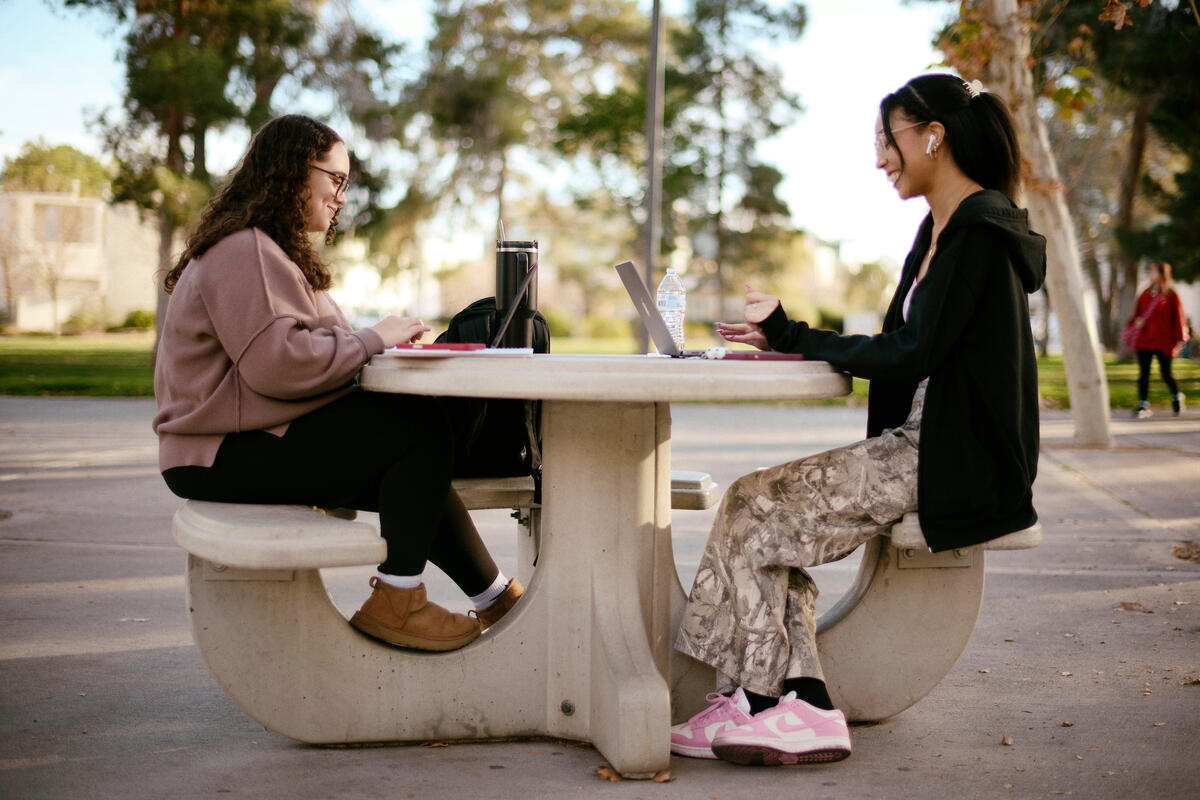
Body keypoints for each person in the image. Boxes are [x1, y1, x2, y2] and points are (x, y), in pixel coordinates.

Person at [669, 74, 1046, 766]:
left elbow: (911, 352)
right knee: (762, 512)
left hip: (950, 458)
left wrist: (793, 332)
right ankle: (798, 702)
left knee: (753, 506)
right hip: (920, 445)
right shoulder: (939, 231)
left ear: (932, 136)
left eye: (888, 138)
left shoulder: (979, 235)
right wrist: (790, 339)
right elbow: (904, 350)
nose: (881, 157)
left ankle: (761, 701)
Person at [153, 114, 522, 653]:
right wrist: (373, 339)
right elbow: (277, 366)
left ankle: (497, 601)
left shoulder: (269, 251)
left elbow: (313, 352)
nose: (341, 196)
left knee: (418, 464)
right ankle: (399, 600)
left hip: (243, 441)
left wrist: (383, 346)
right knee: (415, 432)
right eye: (336, 179)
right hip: (217, 454)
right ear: (294, 173)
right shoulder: (246, 248)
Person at [1127, 261, 1187, 417]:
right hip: (1145, 340)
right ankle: (1143, 404)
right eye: (1150, 271)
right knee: (1144, 373)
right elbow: (1137, 314)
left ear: (1162, 274)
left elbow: (1178, 317)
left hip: (1164, 341)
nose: (1151, 274)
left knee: (1166, 373)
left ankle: (1176, 396)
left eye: (1154, 271)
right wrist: (1137, 321)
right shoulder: (1145, 294)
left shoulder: (1171, 295)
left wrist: (1179, 338)